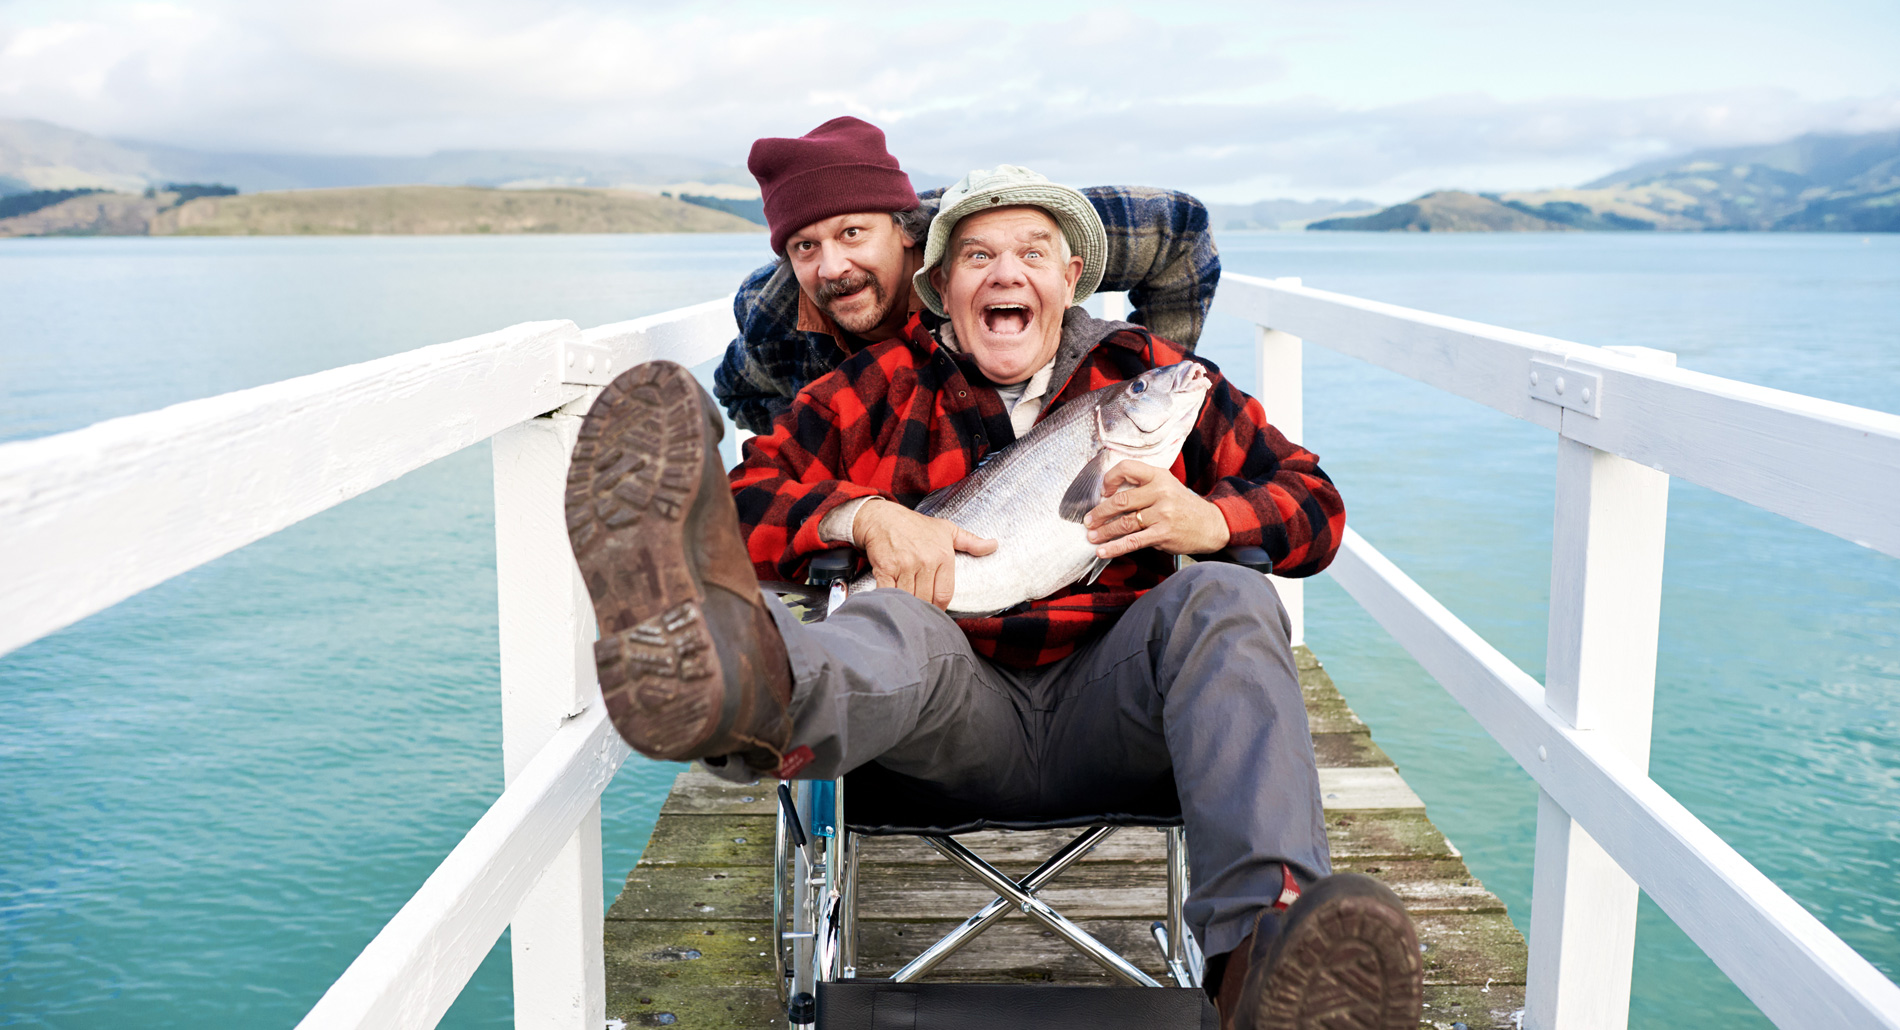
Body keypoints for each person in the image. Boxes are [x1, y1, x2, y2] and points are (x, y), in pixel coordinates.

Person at [566, 164, 1423, 1029]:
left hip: (1119, 710)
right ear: (942, 286)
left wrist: (1211, 519)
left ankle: (1264, 968)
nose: (1006, 273)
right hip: (943, 713)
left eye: (1032, 253)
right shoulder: (875, 388)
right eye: (978, 256)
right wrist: (861, 516)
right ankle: (736, 695)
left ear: (1071, 279)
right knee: (893, 616)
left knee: (1226, 597)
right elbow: (746, 497)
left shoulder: (1152, 376)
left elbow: (1316, 504)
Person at [711, 116, 1221, 434]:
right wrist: (833, 438)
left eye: (852, 233)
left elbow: (1180, 228)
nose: (831, 267)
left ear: (904, 228)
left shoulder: (993, 230)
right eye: (804, 245)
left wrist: (1145, 395)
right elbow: (737, 393)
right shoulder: (773, 316)